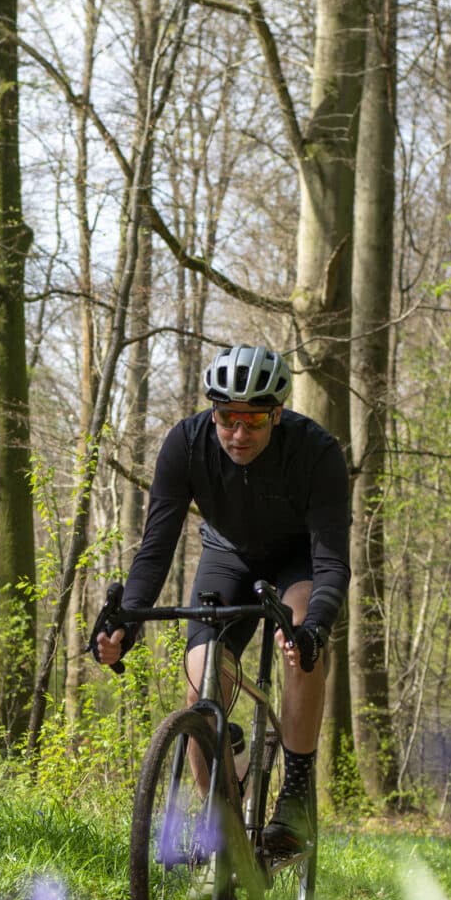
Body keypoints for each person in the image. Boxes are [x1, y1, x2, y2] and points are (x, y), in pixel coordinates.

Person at [94, 343, 351, 859]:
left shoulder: (316, 452)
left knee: (301, 639)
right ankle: (222, 834)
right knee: (199, 684)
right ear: (212, 411)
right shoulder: (186, 444)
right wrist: (124, 622)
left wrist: (316, 628)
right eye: (226, 418)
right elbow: (155, 548)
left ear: (277, 414)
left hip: (298, 560)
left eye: (253, 421)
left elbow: (331, 565)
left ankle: (295, 799)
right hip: (228, 556)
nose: (237, 433)